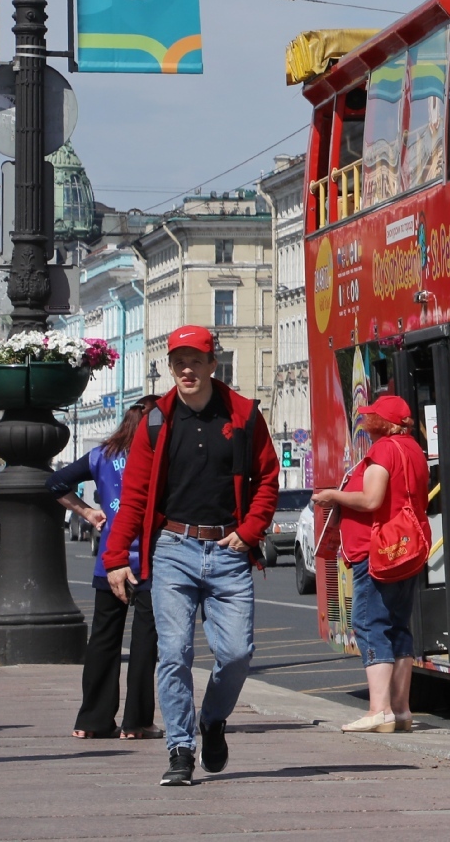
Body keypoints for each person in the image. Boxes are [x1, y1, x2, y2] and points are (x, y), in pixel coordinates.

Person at [104, 326, 280, 788]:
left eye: (195, 360)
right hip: (173, 550)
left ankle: (213, 720)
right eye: (178, 361)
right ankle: (180, 749)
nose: (187, 369)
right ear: (171, 367)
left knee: (238, 653)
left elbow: (267, 478)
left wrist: (249, 532)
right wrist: (115, 557)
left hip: (228, 550)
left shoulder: (242, 415)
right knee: (174, 653)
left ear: (211, 364)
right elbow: (135, 495)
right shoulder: (157, 421)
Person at [311, 393, 430, 735]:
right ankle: (402, 709)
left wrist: (333, 496)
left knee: (369, 624)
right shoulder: (414, 450)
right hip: (407, 547)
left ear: (384, 423)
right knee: (398, 626)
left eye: (371, 417)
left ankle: (379, 710)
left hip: (377, 550)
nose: (365, 421)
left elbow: (371, 499)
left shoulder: (383, 450)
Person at [48, 396, 163, 740]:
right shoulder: (158, 457)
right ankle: (136, 722)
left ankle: (92, 719)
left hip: (109, 560)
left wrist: (87, 512)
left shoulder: (102, 455)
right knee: (145, 643)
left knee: (103, 640)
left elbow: (54, 484)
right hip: (150, 561)